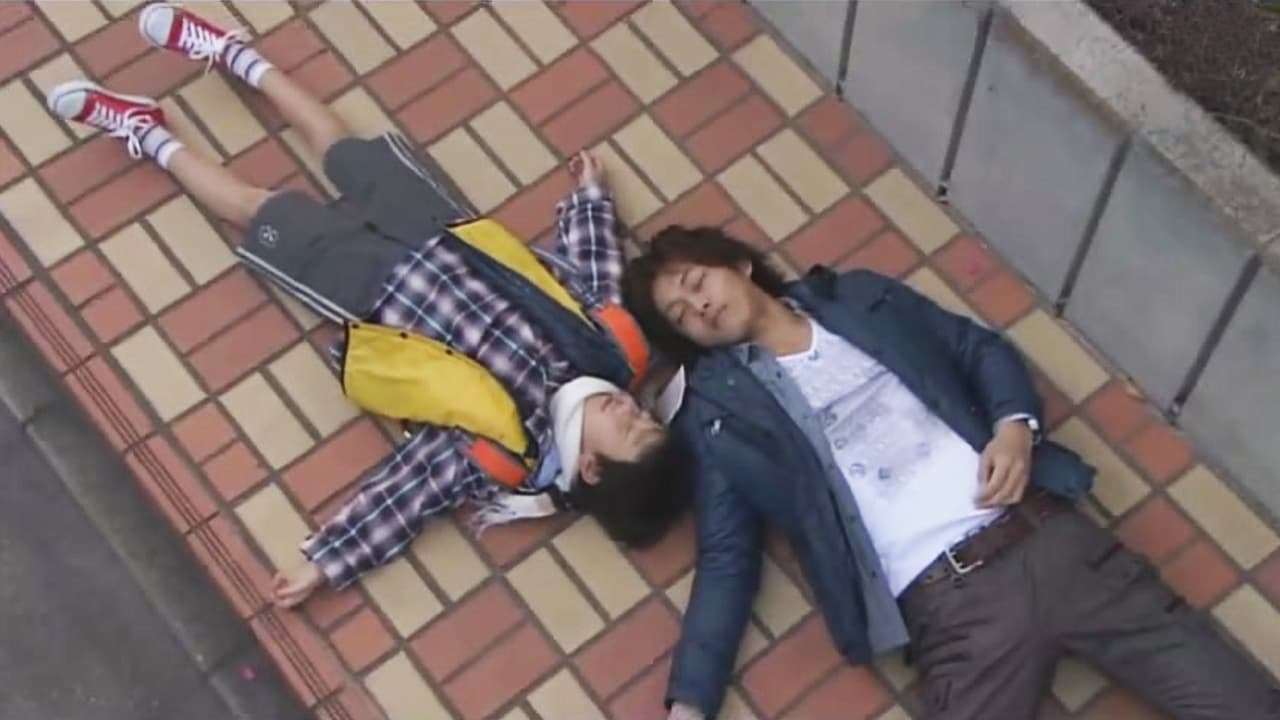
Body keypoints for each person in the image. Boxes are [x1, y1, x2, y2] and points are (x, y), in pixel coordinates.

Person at [48, 4, 692, 609]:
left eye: (629, 428)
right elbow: (594, 271)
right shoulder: (611, 354)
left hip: (371, 292)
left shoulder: (506, 451)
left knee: (255, 209)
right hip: (439, 229)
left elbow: (407, 493)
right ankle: (233, 55)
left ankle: (148, 133)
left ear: (590, 467)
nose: (630, 407)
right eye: (645, 414)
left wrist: (328, 560)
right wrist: (589, 199)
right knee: (337, 143)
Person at [623, 226, 1280, 720]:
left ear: (738, 265)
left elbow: (977, 348)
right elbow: (727, 558)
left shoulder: (859, 297)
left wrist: (1014, 426)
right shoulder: (720, 421)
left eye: (696, 283)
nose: (698, 307)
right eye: (680, 315)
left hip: (1049, 540)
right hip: (952, 610)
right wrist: (691, 702)